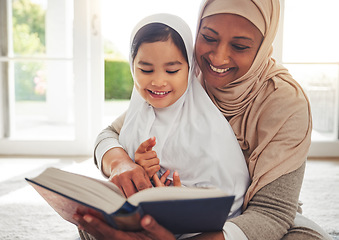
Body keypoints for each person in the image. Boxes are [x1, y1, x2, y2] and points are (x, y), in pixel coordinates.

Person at [75, 0, 332, 239]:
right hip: (167, 212)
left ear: (264, 44)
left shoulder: (285, 101)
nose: (218, 59)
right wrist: (121, 164)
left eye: (240, 46)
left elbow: (273, 212)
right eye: (208, 38)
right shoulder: (183, 74)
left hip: (245, 221)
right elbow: (110, 134)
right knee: (91, 221)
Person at [76, 12, 249, 239]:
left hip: (196, 227)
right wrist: (139, 168)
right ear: (132, 67)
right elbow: (109, 138)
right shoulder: (140, 109)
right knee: (88, 223)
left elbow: (231, 199)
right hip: (145, 215)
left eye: (172, 70)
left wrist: (180, 198)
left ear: (190, 68)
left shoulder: (206, 125)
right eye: (146, 70)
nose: (158, 81)